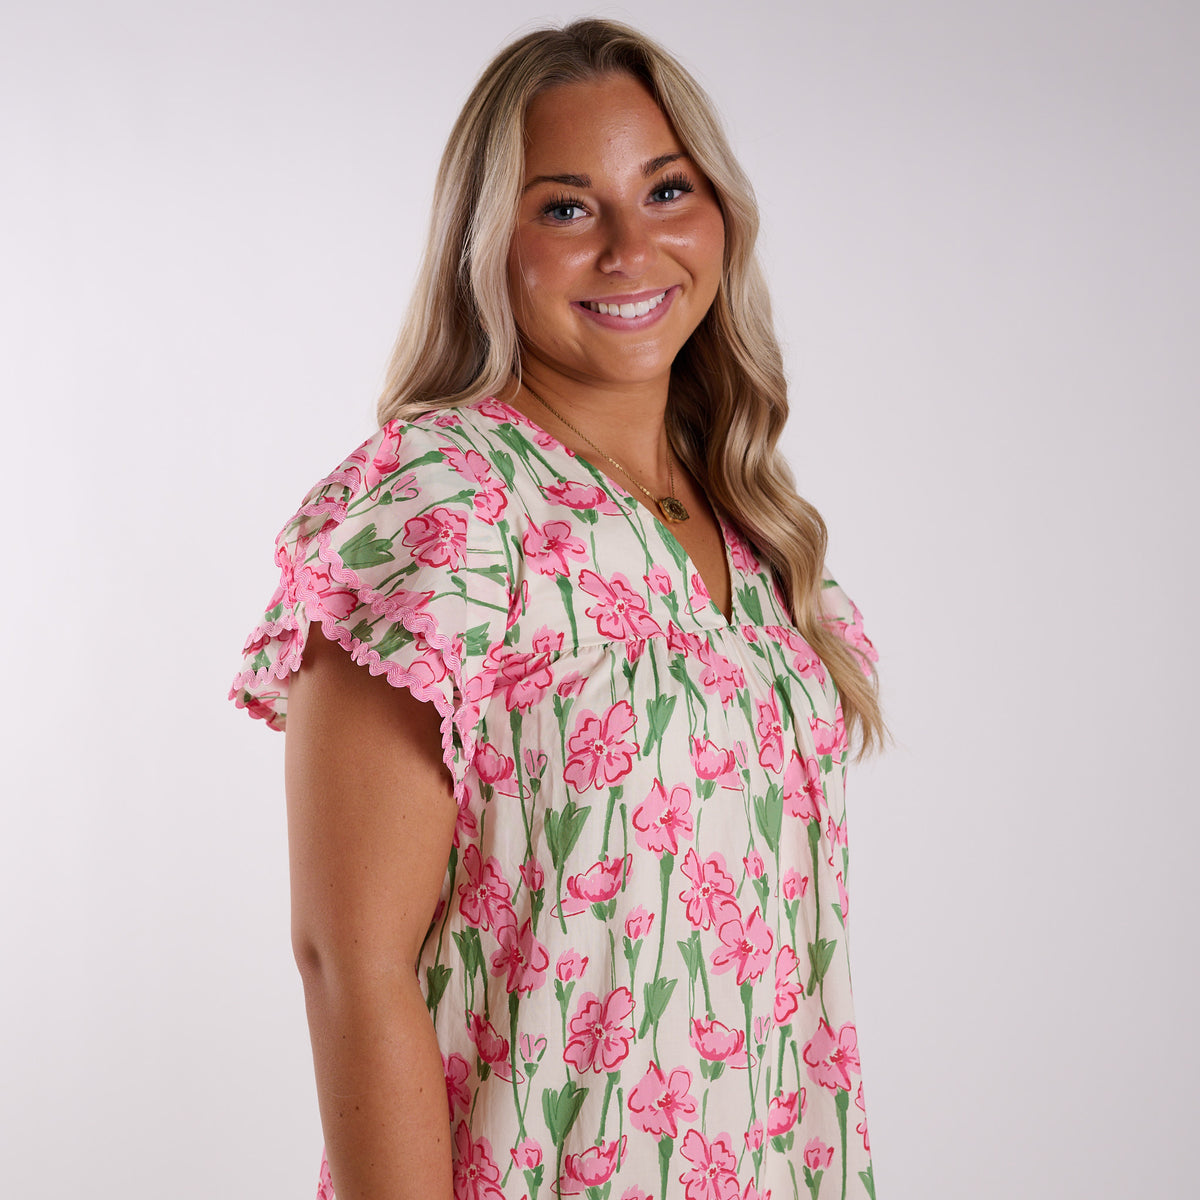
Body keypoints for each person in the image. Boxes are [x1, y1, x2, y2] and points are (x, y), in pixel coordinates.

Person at [231, 18, 883, 1200]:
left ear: (721, 214)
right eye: (568, 208)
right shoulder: (444, 508)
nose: (634, 247)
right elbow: (350, 961)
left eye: (668, 189)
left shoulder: (759, 533)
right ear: (491, 246)